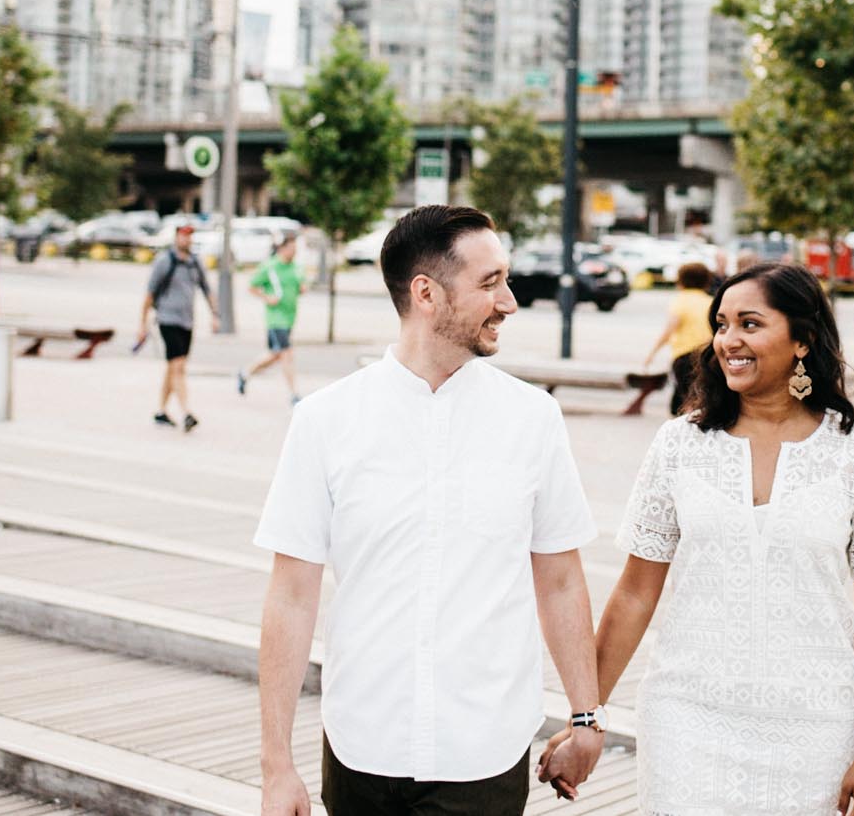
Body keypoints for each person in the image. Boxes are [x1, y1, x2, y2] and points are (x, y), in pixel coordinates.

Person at [253, 204, 605, 815]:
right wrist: (276, 766)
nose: (510, 301)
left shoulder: (532, 419)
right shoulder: (325, 421)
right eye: (490, 283)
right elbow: (291, 594)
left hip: (484, 751)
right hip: (361, 745)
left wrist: (585, 719)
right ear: (427, 294)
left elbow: (561, 578)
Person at [544, 260, 854, 816]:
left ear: (802, 339)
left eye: (749, 323)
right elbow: (635, 594)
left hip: (815, 727)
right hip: (686, 720)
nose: (727, 340)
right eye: (720, 324)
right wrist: (585, 717)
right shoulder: (679, 445)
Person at [135, 222, 214, 433]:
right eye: (183, 235)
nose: (186, 240)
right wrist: (142, 325)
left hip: (187, 321)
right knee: (178, 366)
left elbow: (207, 290)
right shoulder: (164, 261)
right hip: (167, 319)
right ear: (176, 237)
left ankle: (161, 410)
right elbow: (149, 294)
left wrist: (215, 316)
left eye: (189, 236)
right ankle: (186, 412)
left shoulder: (195, 262)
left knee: (173, 367)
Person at [643, 261, 714, 416]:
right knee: (698, 393)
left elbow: (669, 330)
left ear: (681, 281)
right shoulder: (710, 302)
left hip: (685, 355)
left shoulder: (680, 300)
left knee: (685, 395)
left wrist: (652, 353)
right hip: (706, 355)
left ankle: (685, 427)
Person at [241, 234, 304, 404]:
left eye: (295, 249)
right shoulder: (270, 267)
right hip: (276, 318)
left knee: (275, 355)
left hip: (290, 317)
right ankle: (294, 394)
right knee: (287, 353)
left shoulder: (296, 267)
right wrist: (267, 298)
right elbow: (252, 286)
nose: (294, 252)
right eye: (291, 249)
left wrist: (302, 288)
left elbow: (301, 286)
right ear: (282, 249)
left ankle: (245, 373)